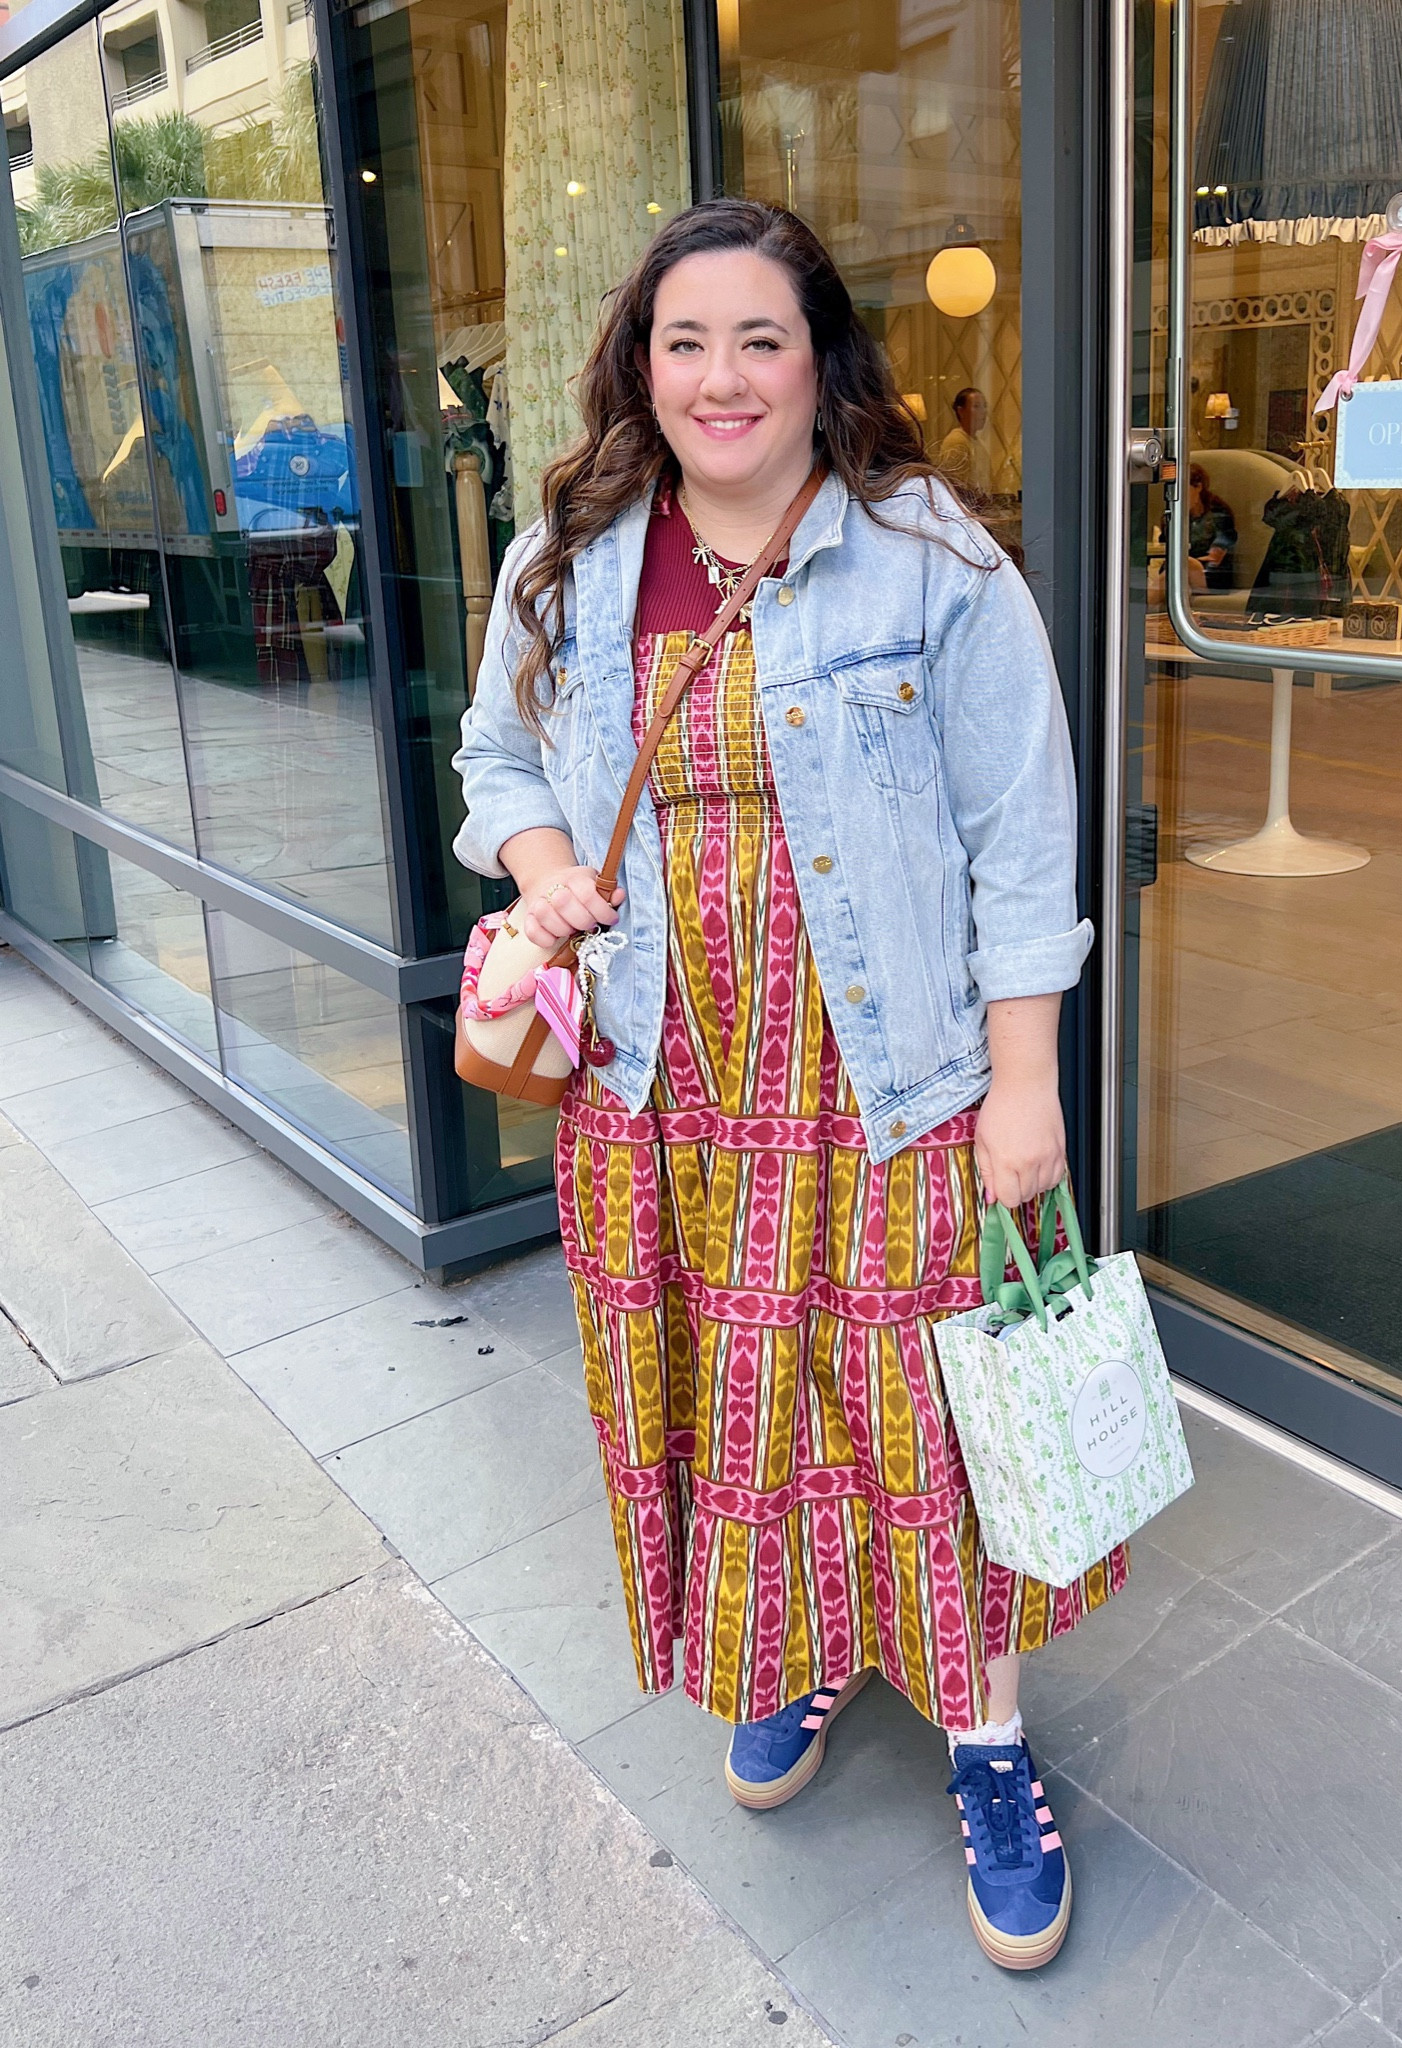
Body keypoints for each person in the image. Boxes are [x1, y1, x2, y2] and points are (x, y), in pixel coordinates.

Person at [452, 199, 1124, 1972]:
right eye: (686, 341)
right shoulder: (580, 548)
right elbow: (494, 748)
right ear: (640, 364)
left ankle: (984, 1737)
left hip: (890, 1082)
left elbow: (1020, 836)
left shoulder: (928, 558)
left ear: (820, 360)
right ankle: (801, 1642)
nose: (721, 375)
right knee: (737, 1394)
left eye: (761, 337)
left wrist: (1022, 1090)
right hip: (667, 1084)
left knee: (933, 1419)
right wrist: (537, 859)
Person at [1187, 461, 1237, 591]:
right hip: (1181, 573)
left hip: (1212, 574)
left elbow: (1215, 558)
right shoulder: (1176, 518)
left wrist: (1192, 562)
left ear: (1198, 487)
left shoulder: (1218, 514)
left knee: (1184, 566)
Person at [937, 385, 992, 496]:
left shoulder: (977, 442)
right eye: (976, 406)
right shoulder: (956, 441)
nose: (983, 412)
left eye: (984, 406)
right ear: (961, 411)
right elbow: (954, 484)